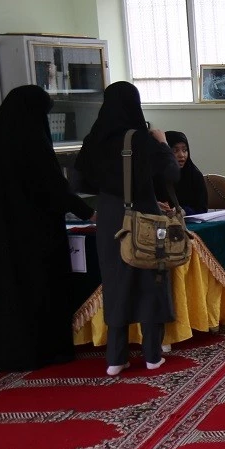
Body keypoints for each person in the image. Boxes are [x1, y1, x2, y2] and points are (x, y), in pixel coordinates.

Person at [0, 86, 95, 372]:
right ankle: (35, 350)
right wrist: (88, 212)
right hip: (32, 231)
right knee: (33, 289)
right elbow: (52, 187)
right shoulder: (32, 141)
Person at [74, 82, 180, 375]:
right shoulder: (141, 139)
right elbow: (172, 173)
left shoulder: (93, 139)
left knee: (115, 284)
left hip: (109, 217)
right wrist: (163, 143)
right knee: (150, 281)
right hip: (144, 215)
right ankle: (152, 355)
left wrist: (111, 189)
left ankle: (115, 358)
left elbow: (78, 183)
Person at [167, 131, 209, 215]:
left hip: (189, 221)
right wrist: (156, 206)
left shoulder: (195, 175)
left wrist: (185, 211)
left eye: (185, 150)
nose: (182, 155)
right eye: (175, 151)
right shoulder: (155, 176)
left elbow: (202, 209)